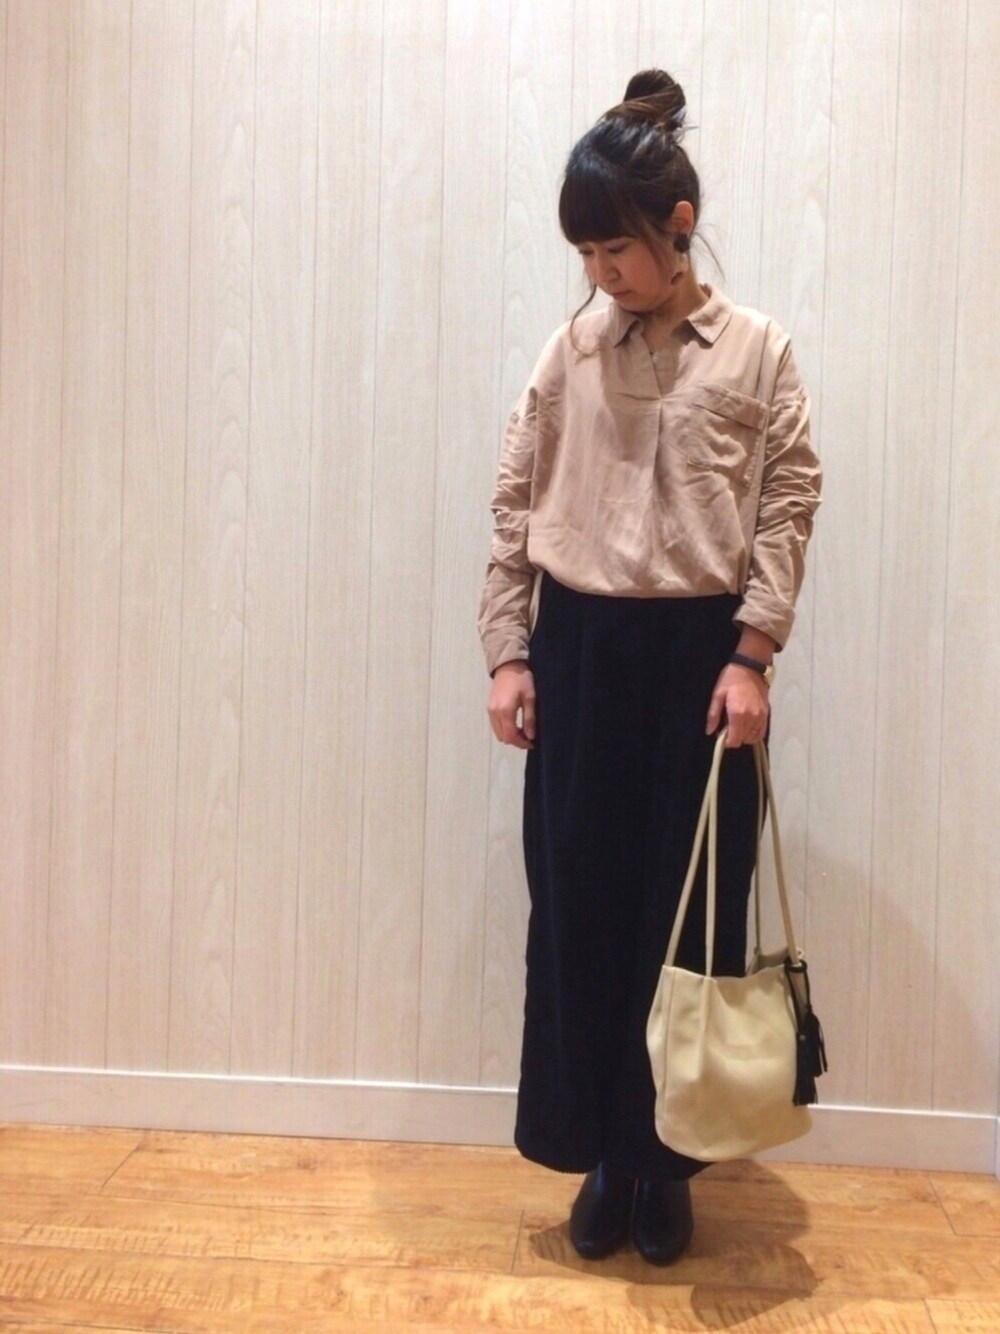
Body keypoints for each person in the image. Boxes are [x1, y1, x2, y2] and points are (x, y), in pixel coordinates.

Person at [477, 68, 822, 1266]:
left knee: (691, 919)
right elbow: (514, 499)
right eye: (583, 253)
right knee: (580, 909)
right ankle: (600, 1153)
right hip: (578, 651)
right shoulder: (568, 351)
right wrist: (508, 650)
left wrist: (754, 651)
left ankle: (668, 1159)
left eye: (614, 248)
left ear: (677, 227)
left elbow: (787, 501)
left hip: (700, 666)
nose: (600, 273)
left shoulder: (757, 352)